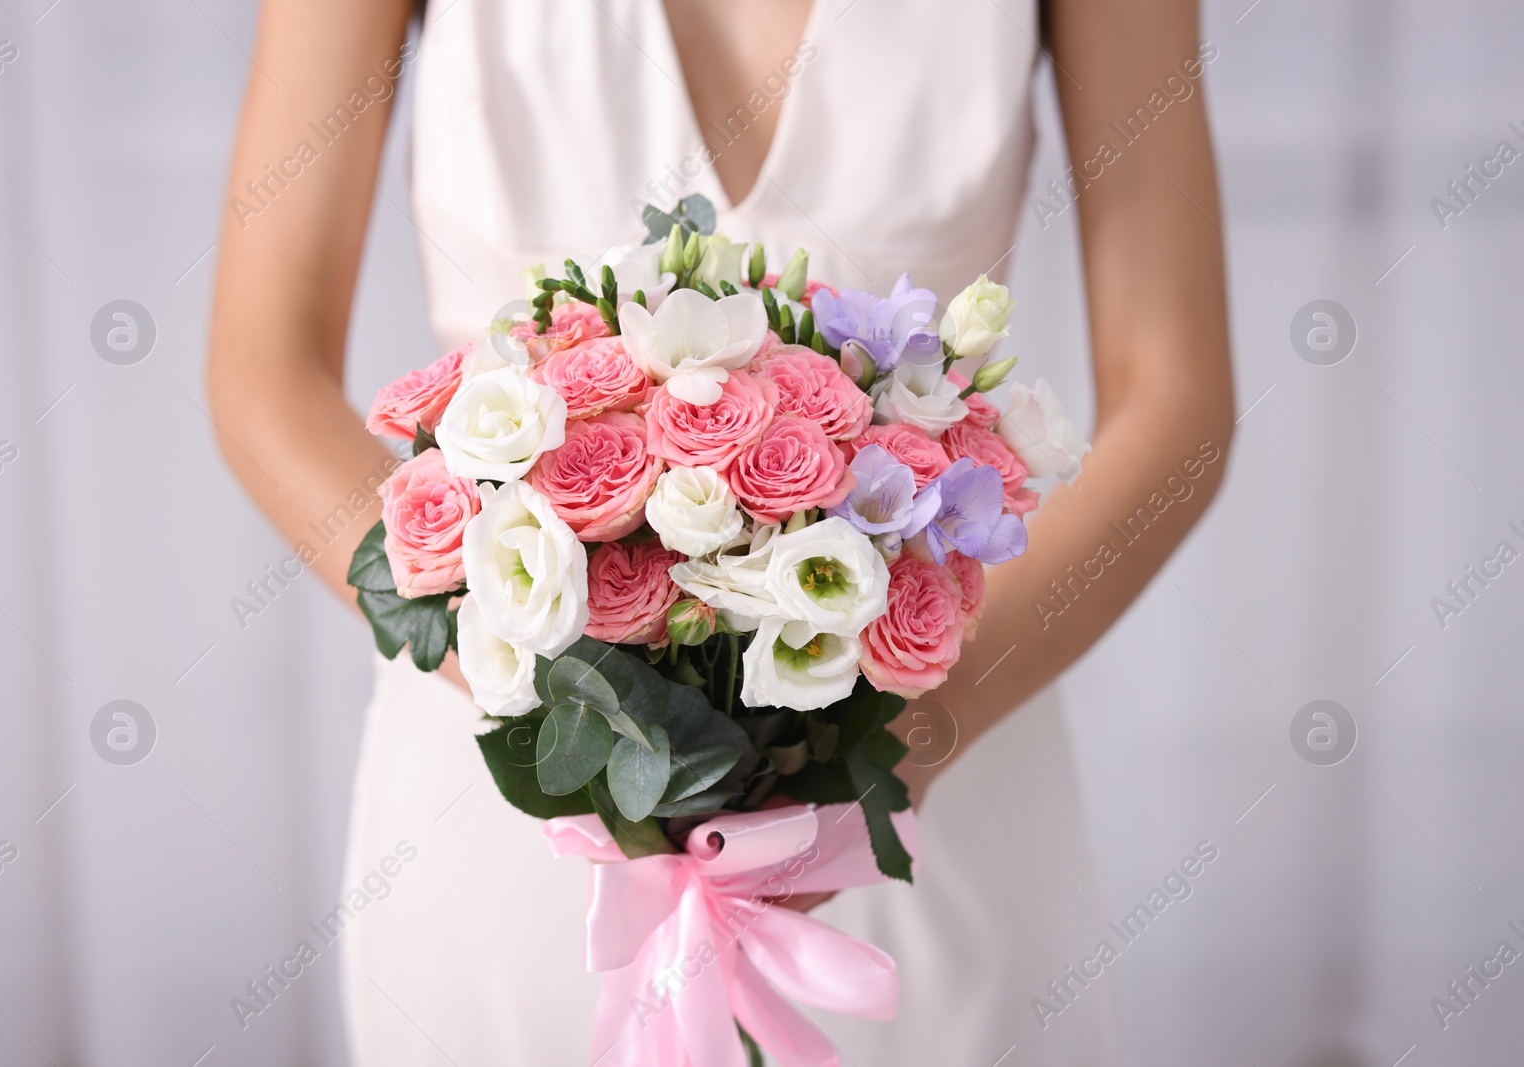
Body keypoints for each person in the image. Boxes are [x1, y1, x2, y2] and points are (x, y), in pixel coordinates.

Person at [207, 0, 1232, 1062]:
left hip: (936, 768)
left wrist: (902, 743)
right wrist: (551, 692)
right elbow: (261, 368)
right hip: (515, 773)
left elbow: (1176, 398)